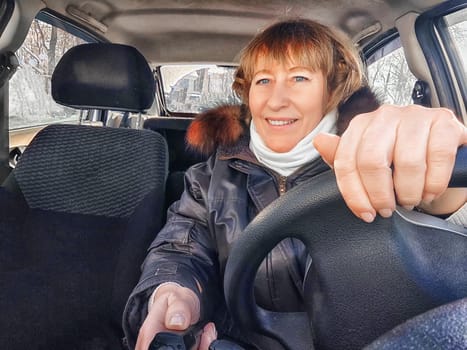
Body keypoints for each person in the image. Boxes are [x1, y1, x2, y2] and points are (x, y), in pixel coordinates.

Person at [123, 18, 467, 350]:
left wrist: (435, 151)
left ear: (333, 90)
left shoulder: (374, 156)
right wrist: (174, 291)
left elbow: (442, 205)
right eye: (263, 81)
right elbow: (181, 250)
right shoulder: (209, 177)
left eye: (299, 78)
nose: (275, 100)